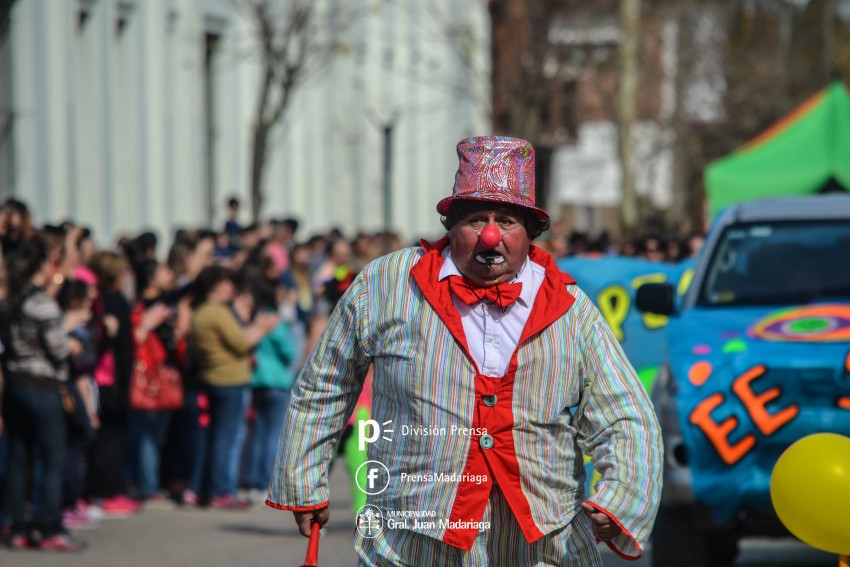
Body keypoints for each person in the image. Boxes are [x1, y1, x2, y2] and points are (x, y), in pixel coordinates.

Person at [267, 136, 663, 565]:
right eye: (477, 219)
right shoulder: (386, 285)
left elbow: (627, 416)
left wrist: (618, 497)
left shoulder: (569, 307)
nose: (491, 237)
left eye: (507, 221)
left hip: (544, 544)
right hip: (413, 538)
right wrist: (303, 481)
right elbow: (325, 383)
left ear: (530, 233)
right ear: (451, 225)